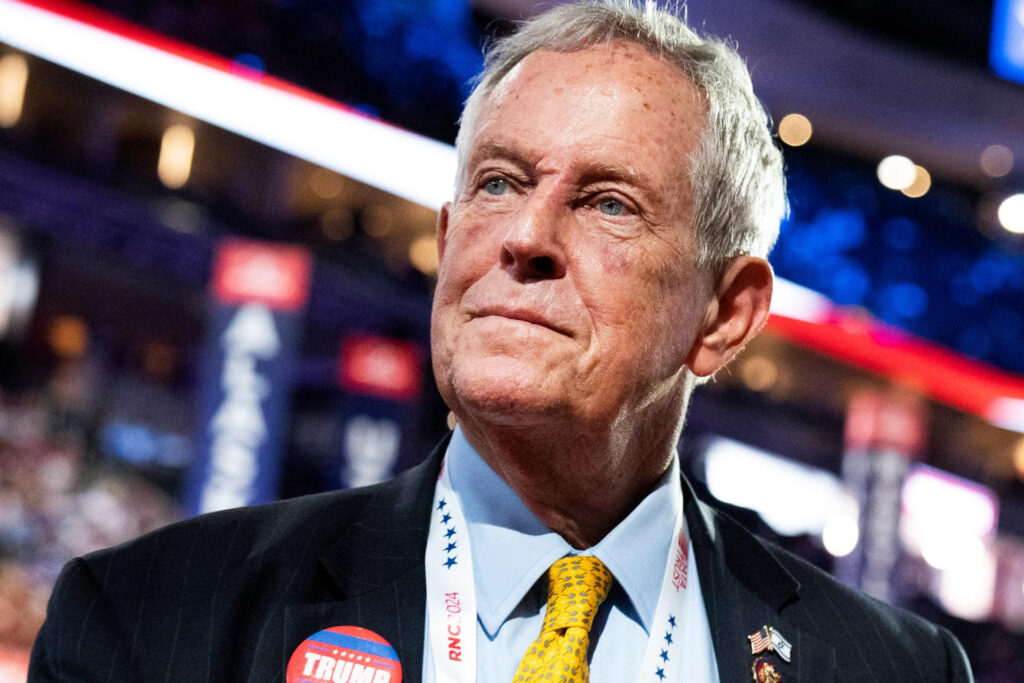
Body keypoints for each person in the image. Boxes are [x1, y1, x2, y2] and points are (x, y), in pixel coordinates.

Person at [30, 1, 972, 681]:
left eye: (608, 203)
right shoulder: (152, 617)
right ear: (447, 243)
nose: (523, 236)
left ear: (725, 314)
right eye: (498, 183)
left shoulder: (893, 669)